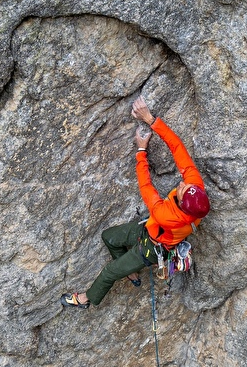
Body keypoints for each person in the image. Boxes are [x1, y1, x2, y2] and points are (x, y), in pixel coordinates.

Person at [61, 97, 210, 309]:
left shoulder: (168, 215)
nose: (184, 184)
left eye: (184, 190)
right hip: (150, 229)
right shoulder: (196, 189)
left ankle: (84, 300)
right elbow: (177, 148)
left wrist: (141, 151)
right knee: (109, 237)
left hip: (152, 248)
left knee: (110, 272)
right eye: (188, 186)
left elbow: (145, 186)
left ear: (183, 206)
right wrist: (150, 119)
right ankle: (130, 272)